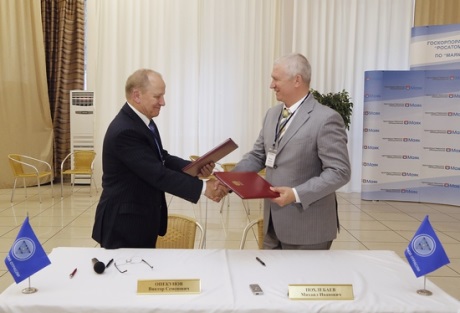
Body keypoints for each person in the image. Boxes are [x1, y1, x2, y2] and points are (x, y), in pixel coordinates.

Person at [92, 69, 226, 249]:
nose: (163, 102)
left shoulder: (142, 121)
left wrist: (196, 167)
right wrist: (204, 188)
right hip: (124, 224)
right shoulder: (125, 130)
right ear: (137, 96)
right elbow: (158, 174)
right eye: (158, 96)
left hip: (139, 217)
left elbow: (161, 158)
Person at [231, 53, 351, 250]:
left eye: (276, 79)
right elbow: (258, 155)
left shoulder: (326, 119)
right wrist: (228, 181)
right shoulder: (272, 114)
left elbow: (340, 172)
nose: (271, 85)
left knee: (300, 280)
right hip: (272, 226)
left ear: (297, 80)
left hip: (308, 229)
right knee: (270, 279)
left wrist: (296, 194)